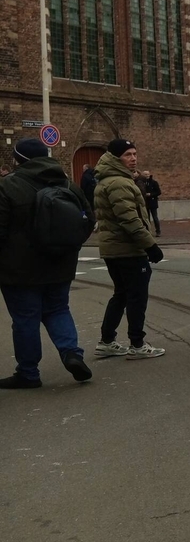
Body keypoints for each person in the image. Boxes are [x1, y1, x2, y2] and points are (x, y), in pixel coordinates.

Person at [0, 139, 95, 388]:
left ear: (18, 160)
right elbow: (89, 220)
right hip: (60, 265)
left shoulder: (8, 186)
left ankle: (28, 373)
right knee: (58, 309)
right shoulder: (68, 184)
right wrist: (68, 247)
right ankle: (71, 353)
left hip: (19, 270)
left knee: (25, 319)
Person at [93, 139, 165, 360]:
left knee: (121, 294)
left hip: (114, 248)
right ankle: (137, 343)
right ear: (116, 158)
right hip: (127, 249)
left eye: (134, 154)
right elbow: (129, 219)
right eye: (127, 155)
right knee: (136, 296)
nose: (133, 159)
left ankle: (107, 341)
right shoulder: (118, 183)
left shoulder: (110, 179)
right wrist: (150, 245)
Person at [140, 170, 162, 237]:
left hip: (153, 202)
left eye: (147, 174)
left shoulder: (154, 182)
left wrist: (151, 194)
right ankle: (148, 231)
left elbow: (158, 192)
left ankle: (158, 231)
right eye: (145, 174)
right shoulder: (141, 183)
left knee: (155, 217)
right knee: (147, 218)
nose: (146, 176)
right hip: (145, 202)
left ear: (149, 175)